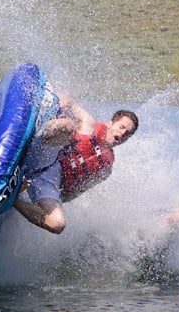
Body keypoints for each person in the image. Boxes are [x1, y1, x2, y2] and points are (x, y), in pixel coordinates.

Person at [14, 90, 139, 234]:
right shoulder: (88, 123)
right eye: (122, 127)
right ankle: (24, 138)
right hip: (47, 155)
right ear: (110, 123)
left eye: (127, 134)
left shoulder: (106, 169)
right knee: (66, 126)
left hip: (49, 183)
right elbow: (67, 100)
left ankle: (13, 200)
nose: (122, 134)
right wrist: (60, 101)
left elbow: (70, 195)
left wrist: (52, 199)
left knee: (57, 224)